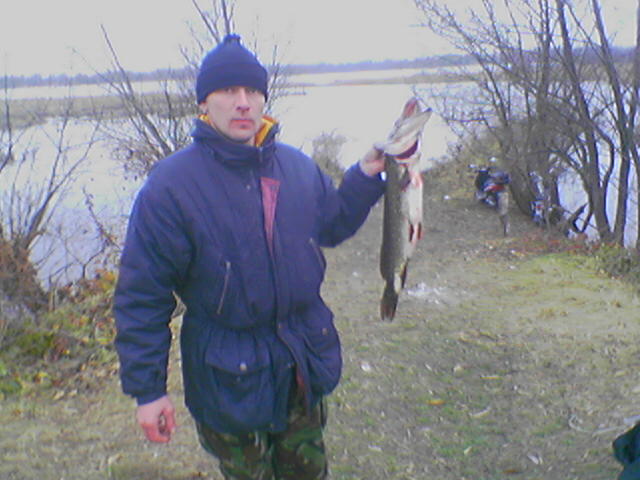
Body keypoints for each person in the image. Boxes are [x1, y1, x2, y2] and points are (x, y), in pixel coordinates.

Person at [113, 33, 386, 479]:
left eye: (252, 91)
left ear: (263, 99)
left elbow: (333, 225)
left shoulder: (296, 167)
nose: (242, 102)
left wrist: (364, 177)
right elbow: (142, 294)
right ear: (205, 102)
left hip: (302, 362)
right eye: (227, 90)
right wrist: (148, 391)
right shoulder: (172, 185)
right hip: (228, 378)